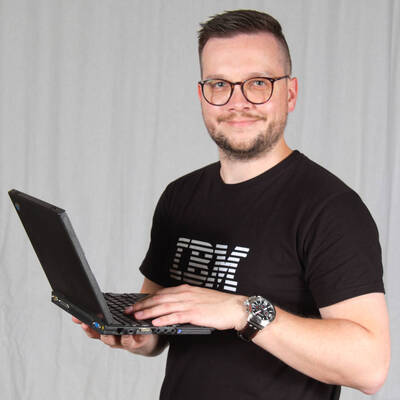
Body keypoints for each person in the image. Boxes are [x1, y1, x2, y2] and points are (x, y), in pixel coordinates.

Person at [73, 9, 390, 399]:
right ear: (202, 95)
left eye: (258, 83)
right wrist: (135, 334)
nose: (238, 102)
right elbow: (159, 325)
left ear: (290, 93)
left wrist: (243, 311)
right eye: (220, 84)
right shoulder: (180, 197)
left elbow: (369, 367)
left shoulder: (331, 209)